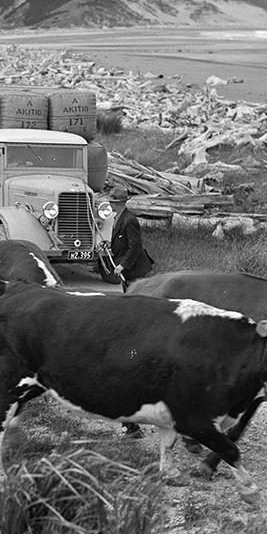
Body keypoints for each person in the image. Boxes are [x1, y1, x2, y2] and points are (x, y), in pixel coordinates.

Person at [106, 185, 155, 440]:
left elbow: (135, 246)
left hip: (134, 270)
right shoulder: (119, 219)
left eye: (115, 202)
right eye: (112, 202)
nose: (113, 205)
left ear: (123, 202)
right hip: (126, 271)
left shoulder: (130, 220)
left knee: (135, 299)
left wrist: (123, 265)